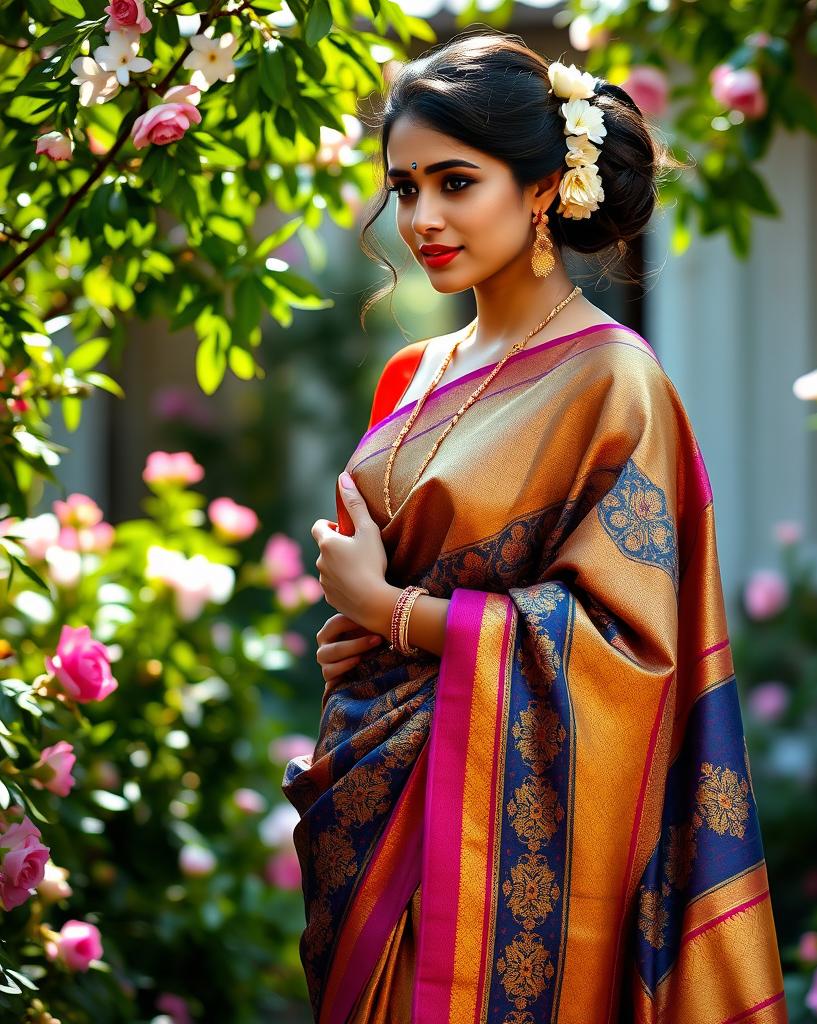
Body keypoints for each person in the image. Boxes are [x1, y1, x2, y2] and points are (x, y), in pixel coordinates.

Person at [283, 29, 788, 1024]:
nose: (421, 217)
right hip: (375, 819)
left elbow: (626, 649)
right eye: (405, 186)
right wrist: (357, 632)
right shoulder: (411, 375)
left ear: (545, 186)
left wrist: (390, 613)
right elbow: (381, 602)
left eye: (454, 182)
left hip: (504, 843)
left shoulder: (615, 384)